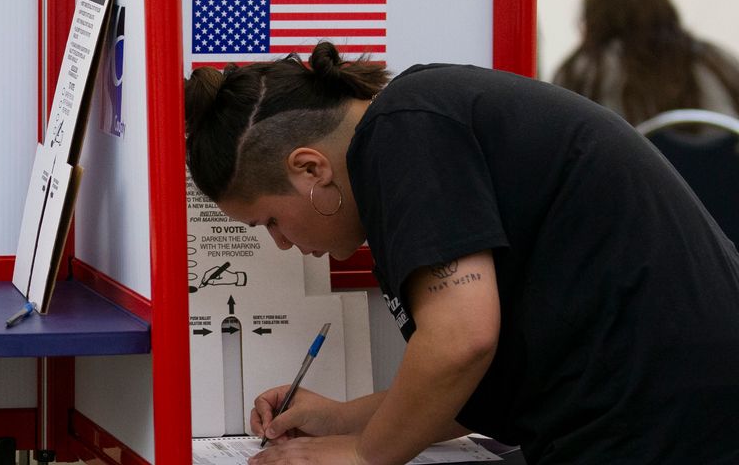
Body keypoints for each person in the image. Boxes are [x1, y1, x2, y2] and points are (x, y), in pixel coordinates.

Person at [183, 41, 739, 464]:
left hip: (668, 419)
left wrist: (361, 454)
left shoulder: (404, 133)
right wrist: (339, 419)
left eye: (272, 221)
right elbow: (471, 377)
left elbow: (461, 342)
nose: (283, 243)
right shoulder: (415, 125)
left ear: (310, 169)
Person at [552, 0, 739, 125]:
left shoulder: (583, 72)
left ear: (594, 11)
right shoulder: (718, 63)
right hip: (714, 164)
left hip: (627, 165)